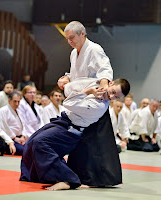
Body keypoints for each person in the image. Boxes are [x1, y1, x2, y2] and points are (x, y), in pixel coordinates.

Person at [20, 78, 130, 190]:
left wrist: (89, 91)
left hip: (70, 132)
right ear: (109, 83)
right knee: (32, 140)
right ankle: (35, 175)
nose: (111, 97)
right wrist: (67, 79)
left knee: (40, 143)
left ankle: (70, 180)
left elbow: (67, 102)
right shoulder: (96, 87)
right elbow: (78, 81)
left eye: (116, 97)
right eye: (113, 92)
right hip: (62, 122)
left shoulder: (99, 106)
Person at [57, 21, 120, 187]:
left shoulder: (94, 49)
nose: (70, 41)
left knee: (95, 140)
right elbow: (75, 74)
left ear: (82, 34)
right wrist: (67, 79)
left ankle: (101, 178)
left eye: (72, 37)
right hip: (80, 98)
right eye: (67, 39)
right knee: (81, 140)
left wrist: (105, 85)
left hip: (94, 99)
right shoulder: (73, 53)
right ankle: (80, 176)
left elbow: (105, 68)